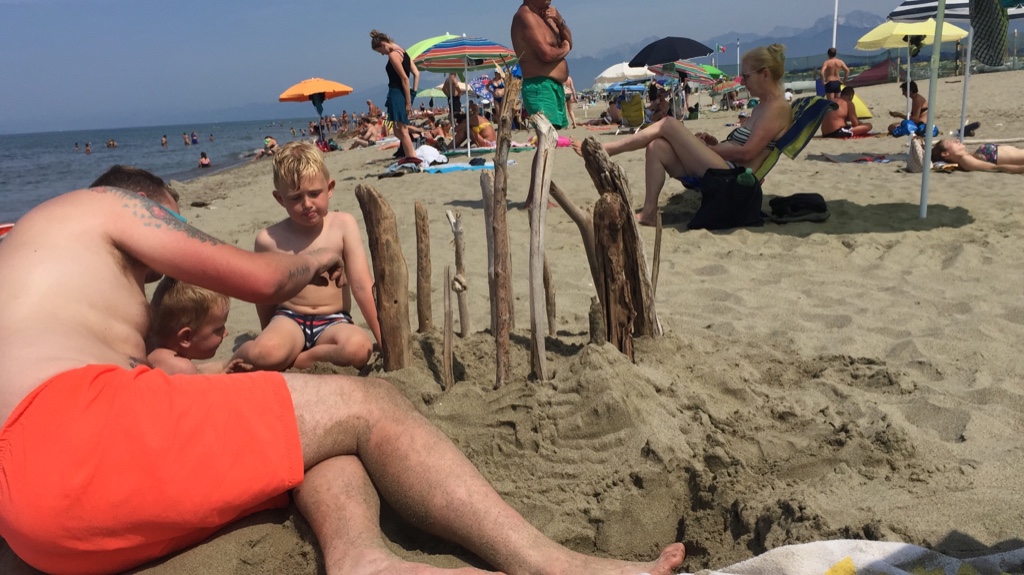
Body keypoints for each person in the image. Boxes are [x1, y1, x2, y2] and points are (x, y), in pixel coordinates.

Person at [0, 162, 688, 575]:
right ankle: (550, 562)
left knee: (307, 436)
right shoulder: (107, 206)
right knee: (371, 405)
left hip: (36, 521)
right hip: (80, 429)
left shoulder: (18, 246)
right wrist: (314, 259)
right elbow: (261, 277)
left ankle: (362, 556)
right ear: (151, 208)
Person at [574, 44, 792, 227]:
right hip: (723, 165)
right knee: (657, 147)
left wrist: (708, 150)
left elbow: (747, 154)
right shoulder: (762, 107)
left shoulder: (776, 109)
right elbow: (741, 146)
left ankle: (609, 149)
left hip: (733, 177)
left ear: (765, 74)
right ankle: (649, 212)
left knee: (668, 123)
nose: (742, 82)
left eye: (746, 76)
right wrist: (714, 144)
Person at [231, 141, 380, 371]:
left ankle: (298, 361)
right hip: (288, 319)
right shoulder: (268, 239)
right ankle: (238, 360)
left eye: (314, 194)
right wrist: (268, 333)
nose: (307, 204)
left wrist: (382, 338)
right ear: (280, 199)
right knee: (265, 353)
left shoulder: (343, 225)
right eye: (295, 197)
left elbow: (361, 285)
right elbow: (265, 295)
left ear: (330, 188)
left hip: (334, 320)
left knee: (359, 348)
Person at [512, 0, 573, 207]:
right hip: (539, 87)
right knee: (545, 142)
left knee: (549, 143)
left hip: (551, 86)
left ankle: (538, 195)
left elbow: (569, 40)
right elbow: (546, 54)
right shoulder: (525, 16)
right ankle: (535, 198)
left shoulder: (546, 15)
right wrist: (565, 47)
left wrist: (560, 21)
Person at [147, 277, 247, 375]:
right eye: (219, 329)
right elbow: (198, 385)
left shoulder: (152, 353)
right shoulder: (183, 368)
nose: (226, 333)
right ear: (186, 337)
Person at [370, 29, 421, 163]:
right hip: (401, 93)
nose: (382, 54)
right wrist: (413, 93)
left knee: (402, 130)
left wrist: (409, 102)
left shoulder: (393, 55)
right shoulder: (403, 51)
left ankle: (413, 158)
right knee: (398, 131)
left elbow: (405, 78)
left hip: (397, 93)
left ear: (383, 44)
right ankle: (410, 156)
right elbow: (416, 74)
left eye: (380, 51)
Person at [931, 139, 1024, 173]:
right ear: (945, 153)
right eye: (951, 142)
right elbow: (995, 168)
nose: (957, 140)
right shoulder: (965, 160)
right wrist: (1021, 169)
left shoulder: (969, 155)